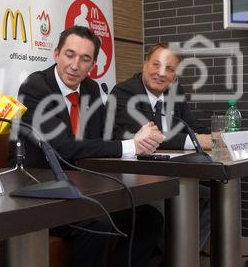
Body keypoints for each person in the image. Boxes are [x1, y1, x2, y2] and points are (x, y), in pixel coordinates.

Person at [18, 25, 164, 267]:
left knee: (149, 219)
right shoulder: (36, 87)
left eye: (85, 59)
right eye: (69, 55)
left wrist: (140, 137)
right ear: (56, 54)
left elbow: (107, 134)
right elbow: (63, 147)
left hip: (85, 189)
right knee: (99, 225)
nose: (75, 65)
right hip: (43, 193)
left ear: (93, 64)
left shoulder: (91, 88)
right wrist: (130, 146)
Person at [110, 42, 211, 249]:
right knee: (168, 203)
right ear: (145, 64)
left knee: (211, 198)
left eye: (170, 69)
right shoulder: (124, 92)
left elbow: (193, 127)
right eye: (156, 65)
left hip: (171, 175)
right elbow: (146, 138)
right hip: (135, 179)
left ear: (175, 75)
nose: (161, 73)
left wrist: (214, 136)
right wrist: (196, 140)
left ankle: (184, 257)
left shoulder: (176, 92)